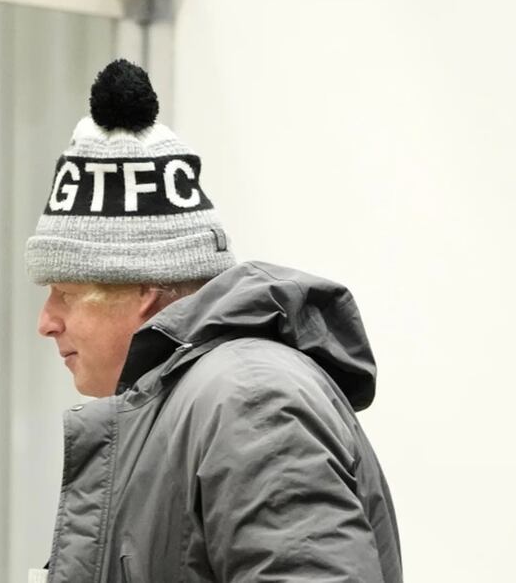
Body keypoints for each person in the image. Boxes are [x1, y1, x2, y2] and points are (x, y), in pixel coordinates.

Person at [25, 59, 402, 582]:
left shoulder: (250, 400)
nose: (46, 321)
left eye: (66, 293)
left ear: (143, 289)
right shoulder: (187, 405)